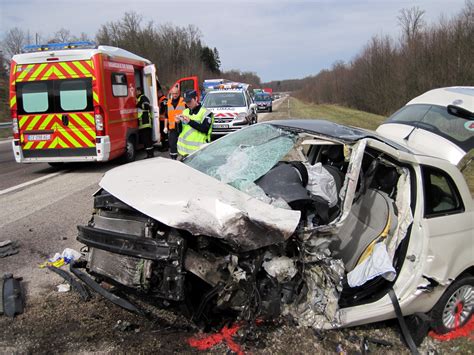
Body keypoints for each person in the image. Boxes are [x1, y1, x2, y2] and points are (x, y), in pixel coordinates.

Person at [176, 90, 214, 159]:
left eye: (189, 101)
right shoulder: (185, 111)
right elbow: (180, 131)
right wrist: (178, 123)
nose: (188, 104)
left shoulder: (206, 113)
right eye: (186, 102)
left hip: (199, 152)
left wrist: (190, 121)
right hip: (184, 152)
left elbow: (204, 129)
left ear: (196, 99)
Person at [165, 86, 186, 160]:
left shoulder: (184, 101)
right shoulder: (168, 103)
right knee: (172, 144)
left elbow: (188, 113)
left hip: (182, 126)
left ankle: (184, 157)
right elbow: (166, 116)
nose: (175, 95)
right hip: (172, 127)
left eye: (176, 93)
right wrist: (165, 127)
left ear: (179, 93)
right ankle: (173, 158)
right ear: (171, 93)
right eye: (173, 93)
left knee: (183, 143)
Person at [136, 87, 154, 159]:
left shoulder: (143, 97)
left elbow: (146, 106)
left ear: (139, 91)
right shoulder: (139, 98)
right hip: (142, 122)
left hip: (145, 122)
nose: (135, 92)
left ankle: (150, 155)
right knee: (146, 139)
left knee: (147, 139)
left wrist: (138, 104)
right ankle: (150, 154)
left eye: (136, 91)